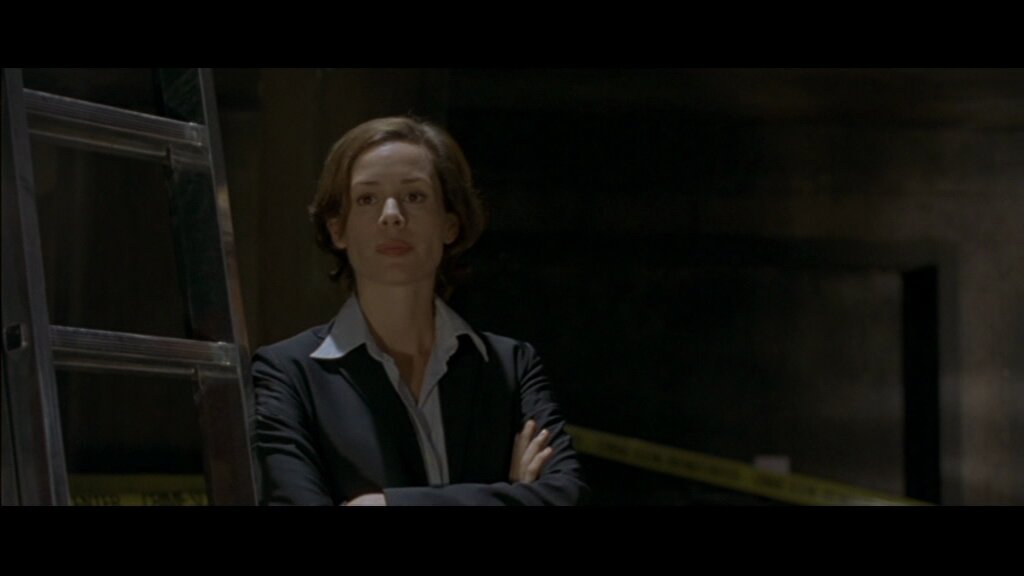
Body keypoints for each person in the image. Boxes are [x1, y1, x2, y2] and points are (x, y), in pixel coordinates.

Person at [252, 116, 588, 505]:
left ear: (450, 224)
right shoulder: (286, 374)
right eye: (367, 199)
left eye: (415, 196)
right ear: (337, 229)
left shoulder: (512, 366)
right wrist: (514, 497)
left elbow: (566, 497)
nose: (392, 214)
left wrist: (386, 504)